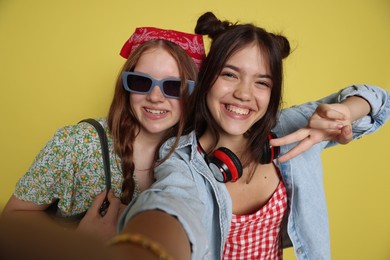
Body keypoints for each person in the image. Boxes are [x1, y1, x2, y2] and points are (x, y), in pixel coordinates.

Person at [109, 12, 390, 260]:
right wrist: (142, 245)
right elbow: (169, 203)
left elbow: (378, 98)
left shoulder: (293, 129)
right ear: (207, 80)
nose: (244, 94)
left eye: (261, 82)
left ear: (273, 92)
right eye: (230, 75)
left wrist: (344, 110)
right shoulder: (181, 157)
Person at [1, 26, 206, 241]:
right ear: (126, 86)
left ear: (191, 93)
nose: (155, 97)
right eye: (141, 82)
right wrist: (81, 241)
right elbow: (13, 218)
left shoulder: (194, 159)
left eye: (173, 86)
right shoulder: (77, 143)